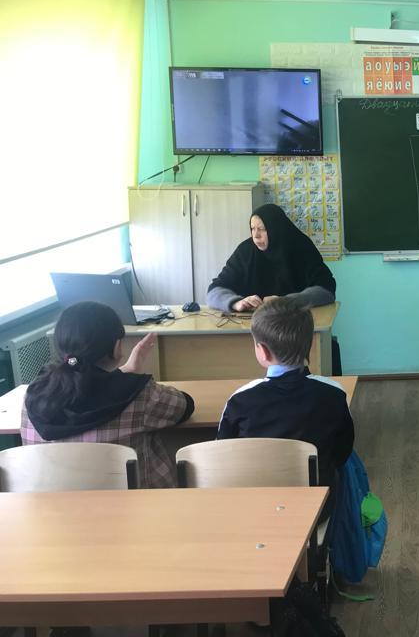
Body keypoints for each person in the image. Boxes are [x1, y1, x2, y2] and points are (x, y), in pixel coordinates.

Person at [21, 301, 194, 488]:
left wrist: (123, 373)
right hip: (135, 504)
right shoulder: (139, 395)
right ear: (117, 347)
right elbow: (185, 406)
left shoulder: (34, 395)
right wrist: (126, 378)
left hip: (53, 504)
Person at [217, 297, 354, 507]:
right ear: (310, 345)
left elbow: (222, 455)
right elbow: (342, 452)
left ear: (262, 351)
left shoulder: (239, 400)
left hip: (253, 504)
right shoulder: (334, 393)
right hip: (318, 505)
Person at [207, 203, 336, 312]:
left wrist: (285, 301)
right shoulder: (245, 251)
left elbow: (326, 291)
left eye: (262, 229)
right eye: (252, 228)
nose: (256, 235)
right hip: (252, 324)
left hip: (295, 322)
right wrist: (235, 302)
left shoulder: (301, 247)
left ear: (275, 229)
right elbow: (214, 291)